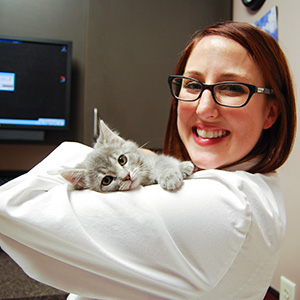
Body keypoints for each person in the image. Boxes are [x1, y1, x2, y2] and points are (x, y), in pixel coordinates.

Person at [0, 21, 296, 300]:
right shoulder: (258, 185)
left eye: (232, 88)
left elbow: (12, 206)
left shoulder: (221, 205)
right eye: (192, 85)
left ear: (271, 112)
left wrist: (94, 157)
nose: (205, 109)